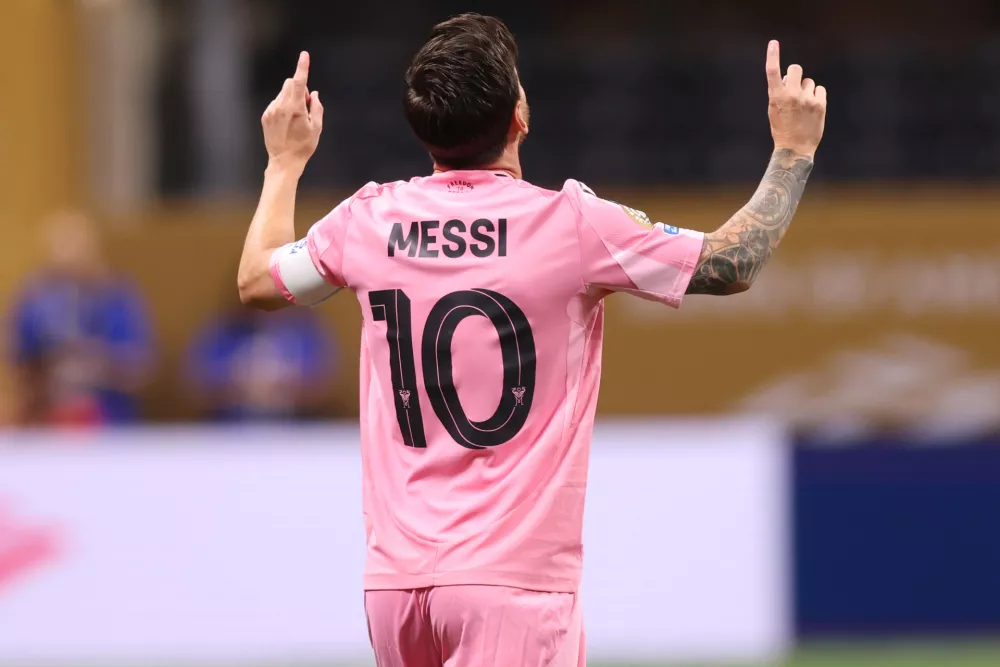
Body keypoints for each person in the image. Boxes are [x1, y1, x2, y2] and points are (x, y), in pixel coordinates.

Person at [237, 14, 826, 667]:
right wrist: (793, 152)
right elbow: (730, 263)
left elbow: (259, 279)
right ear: (518, 114)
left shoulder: (368, 221)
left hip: (396, 589)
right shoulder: (569, 224)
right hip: (511, 587)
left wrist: (284, 163)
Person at [8, 211, 153, 427]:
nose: (68, 259)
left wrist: (95, 365)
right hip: (48, 420)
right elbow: (16, 358)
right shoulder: (34, 297)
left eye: (76, 248)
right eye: (59, 249)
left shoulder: (116, 296)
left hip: (109, 421)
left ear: (93, 250)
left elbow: (140, 367)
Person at [185, 296, 337, 422]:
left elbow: (324, 384)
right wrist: (240, 388)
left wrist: (284, 389)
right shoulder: (224, 333)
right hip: (229, 434)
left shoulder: (305, 332)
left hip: (295, 433)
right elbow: (197, 385)